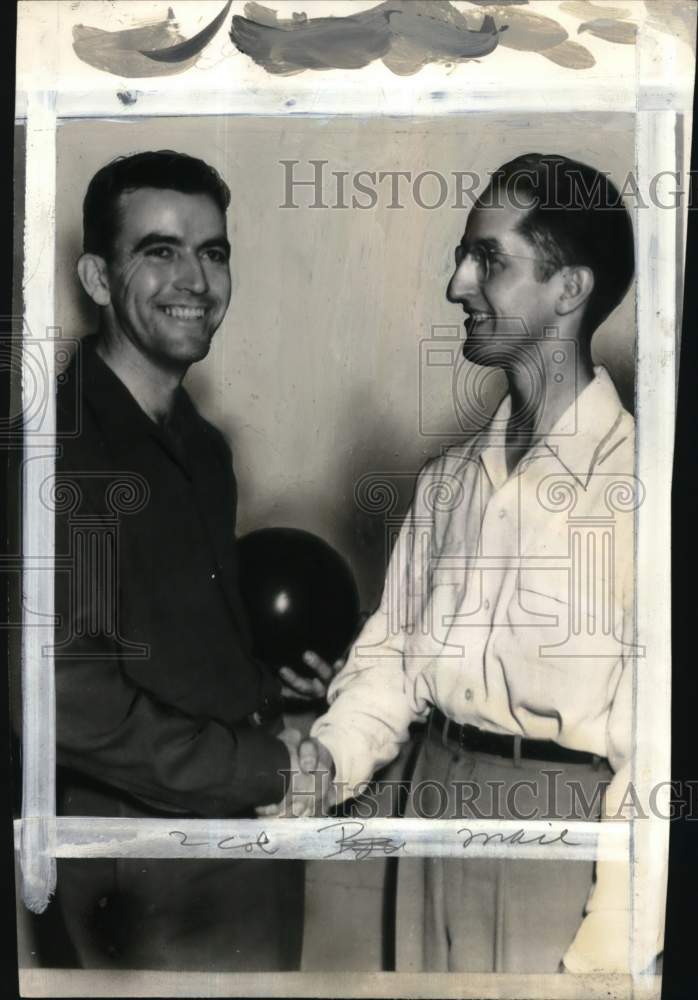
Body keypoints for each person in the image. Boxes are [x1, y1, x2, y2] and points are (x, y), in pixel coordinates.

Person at [278, 153, 659, 973]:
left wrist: (616, 939)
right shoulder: (448, 484)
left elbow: (657, 751)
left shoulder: (645, 493)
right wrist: (324, 760)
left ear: (570, 290)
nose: (457, 284)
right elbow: (390, 664)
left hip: (565, 839)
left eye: (488, 259)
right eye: (463, 256)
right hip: (429, 813)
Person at [51, 150, 332, 971]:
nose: (196, 280)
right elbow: (72, 703)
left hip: (237, 842)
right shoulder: (62, 452)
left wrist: (263, 682)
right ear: (98, 279)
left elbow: (169, 637)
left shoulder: (203, 449)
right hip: (142, 866)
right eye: (160, 250)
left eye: (213, 251)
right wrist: (263, 766)